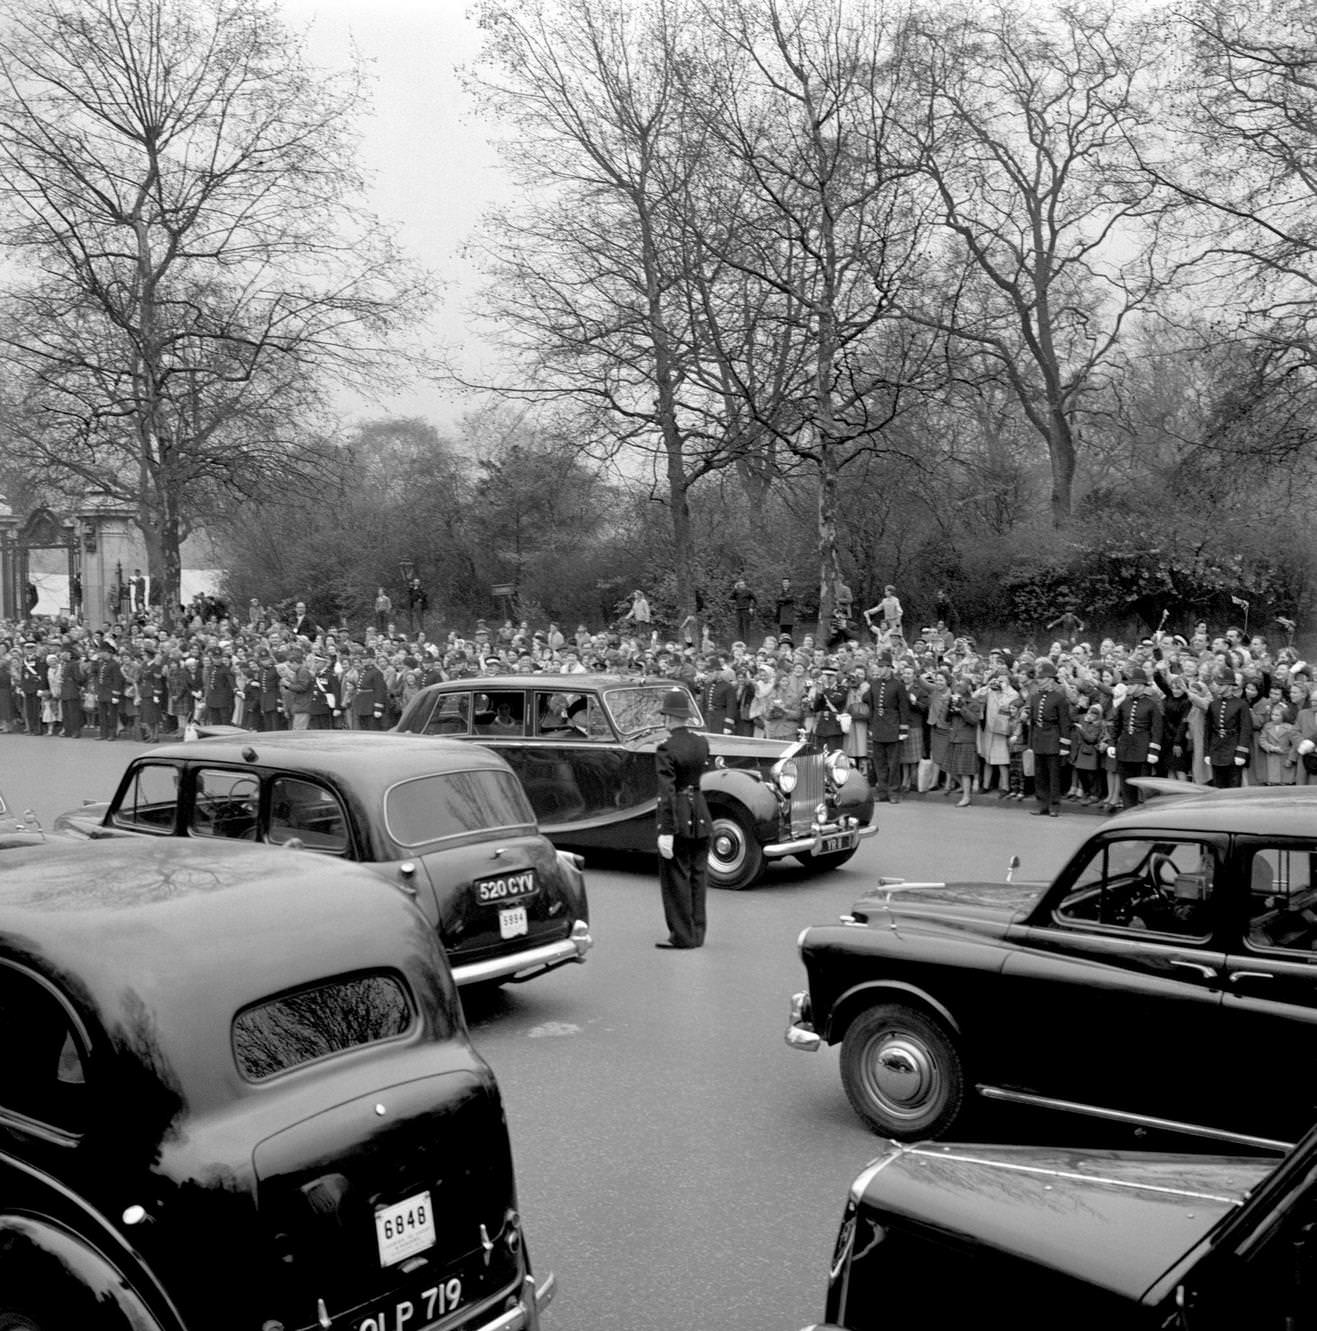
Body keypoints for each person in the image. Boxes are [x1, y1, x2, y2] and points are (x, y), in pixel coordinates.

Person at [654, 688, 711, 950]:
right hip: (700, 812)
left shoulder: (666, 748)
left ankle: (682, 935)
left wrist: (666, 829)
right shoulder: (701, 742)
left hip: (678, 814)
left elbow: (667, 792)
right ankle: (697, 932)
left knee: (677, 876)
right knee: (698, 876)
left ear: (668, 718)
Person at [730, 577, 757, 644]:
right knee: (739, 627)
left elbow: (755, 600)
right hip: (738, 611)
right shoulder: (736, 592)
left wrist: (752, 608)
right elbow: (730, 598)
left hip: (746, 610)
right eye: (740, 584)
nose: (741, 586)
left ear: (745, 585)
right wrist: (735, 589)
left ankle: (747, 644)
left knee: (746, 628)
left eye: (742, 584)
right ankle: (740, 643)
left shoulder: (748, 592)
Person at [773, 578, 796, 642]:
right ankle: (781, 644)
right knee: (781, 632)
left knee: (789, 632)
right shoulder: (779, 591)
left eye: (786, 582)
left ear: (789, 583)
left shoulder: (792, 591)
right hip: (781, 615)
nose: (785, 584)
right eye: (784, 582)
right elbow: (776, 599)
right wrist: (783, 600)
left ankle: (789, 644)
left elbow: (789, 599)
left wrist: (782, 600)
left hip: (789, 615)